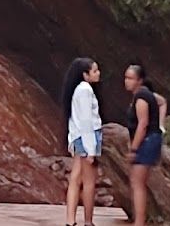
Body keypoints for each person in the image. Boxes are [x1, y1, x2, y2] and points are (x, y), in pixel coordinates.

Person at [61, 57, 102, 226]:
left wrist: (72, 140)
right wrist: (91, 149)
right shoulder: (85, 89)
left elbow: (74, 119)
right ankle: (88, 221)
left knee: (75, 178)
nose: (98, 73)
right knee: (89, 181)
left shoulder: (77, 89)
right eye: (94, 71)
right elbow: (86, 121)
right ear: (85, 75)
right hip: (88, 138)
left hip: (79, 137)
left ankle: (70, 220)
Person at [124, 64, 164, 226]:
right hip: (151, 139)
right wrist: (160, 125)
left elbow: (143, 124)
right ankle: (139, 220)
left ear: (139, 80)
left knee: (137, 182)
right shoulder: (146, 94)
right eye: (126, 78)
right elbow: (162, 102)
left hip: (147, 141)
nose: (127, 81)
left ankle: (139, 222)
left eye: (131, 78)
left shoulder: (141, 96)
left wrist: (133, 148)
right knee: (138, 182)